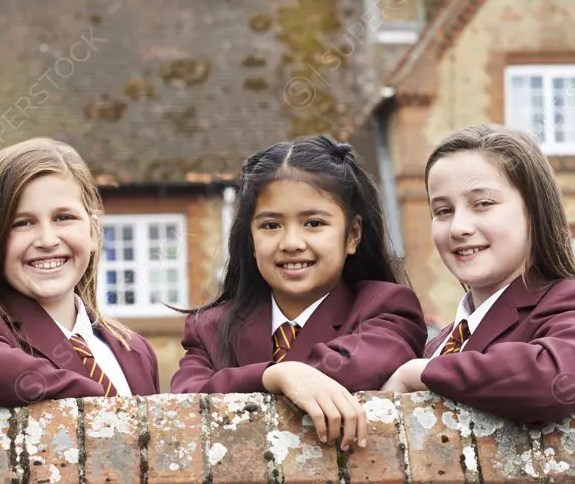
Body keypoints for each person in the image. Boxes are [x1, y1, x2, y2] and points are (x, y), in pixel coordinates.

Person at [170, 135, 427, 450]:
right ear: (250, 240)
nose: (291, 242)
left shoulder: (385, 307)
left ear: (352, 235)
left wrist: (290, 374)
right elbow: (183, 406)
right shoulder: (209, 327)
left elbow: (358, 367)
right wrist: (275, 376)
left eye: (314, 223)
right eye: (271, 226)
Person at [381, 124, 575, 426]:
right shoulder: (437, 344)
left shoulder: (574, 305)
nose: (458, 227)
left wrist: (419, 373)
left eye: (483, 204)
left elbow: (556, 377)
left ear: (534, 211)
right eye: (442, 211)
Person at [0, 138, 160, 406]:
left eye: (63, 218)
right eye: (23, 223)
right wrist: (105, 405)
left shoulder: (135, 351)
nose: (47, 240)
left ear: (94, 232)